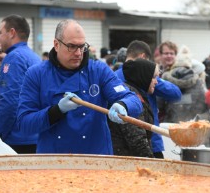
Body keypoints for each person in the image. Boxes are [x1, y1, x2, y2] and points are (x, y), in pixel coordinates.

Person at [17, 19, 142, 154]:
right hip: (53, 160)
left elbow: (133, 99)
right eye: (71, 46)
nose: (78, 53)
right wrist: (57, 111)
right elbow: (24, 124)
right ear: (56, 44)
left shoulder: (98, 70)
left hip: (96, 159)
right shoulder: (36, 74)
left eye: (82, 47)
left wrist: (124, 105)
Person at [114, 40, 181, 158]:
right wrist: (150, 80)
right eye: (154, 76)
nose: (155, 80)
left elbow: (176, 93)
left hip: (141, 143)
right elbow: (175, 93)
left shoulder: (113, 76)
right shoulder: (141, 83)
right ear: (143, 57)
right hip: (142, 146)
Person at [0, 14, 41, 154]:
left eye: (0, 32)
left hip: (17, 139)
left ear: (12, 33)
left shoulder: (14, 58)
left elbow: (10, 101)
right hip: (33, 135)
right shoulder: (33, 56)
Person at [109, 59, 159, 157]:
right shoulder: (132, 98)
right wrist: (151, 164)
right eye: (154, 77)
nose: (156, 82)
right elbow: (137, 139)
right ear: (143, 76)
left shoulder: (139, 93)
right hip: (126, 162)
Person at [159, 44, 207, 123]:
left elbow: (159, 105)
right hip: (191, 124)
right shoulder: (197, 81)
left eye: (171, 53)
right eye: (166, 53)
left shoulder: (164, 79)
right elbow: (202, 105)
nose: (169, 56)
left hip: (169, 124)